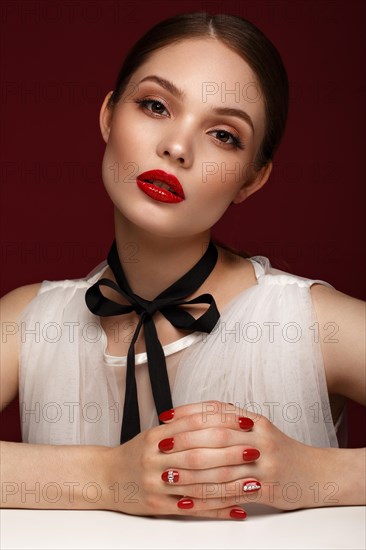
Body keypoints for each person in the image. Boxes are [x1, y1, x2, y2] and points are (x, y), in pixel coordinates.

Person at [1, 12, 365, 520]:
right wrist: (108, 478)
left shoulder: (309, 323)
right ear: (109, 115)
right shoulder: (27, 323)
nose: (177, 147)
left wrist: (317, 474)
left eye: (223, 135)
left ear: (251, 181)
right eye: (155, 105)